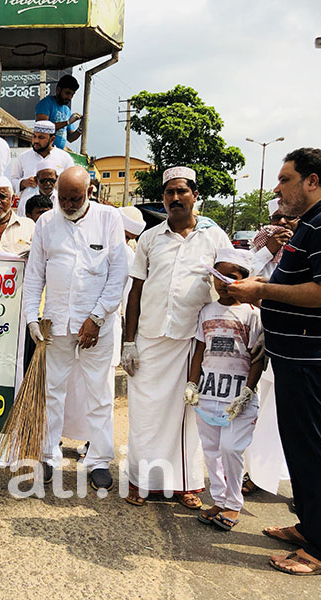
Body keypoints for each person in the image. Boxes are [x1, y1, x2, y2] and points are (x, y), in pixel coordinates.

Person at [227, 148, 321, 576]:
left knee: (315, 452)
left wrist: (263, 293)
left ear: (312, 180)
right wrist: (261, 284)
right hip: (292, 357)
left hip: (312, 360)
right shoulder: (311, 221)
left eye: (285, 179)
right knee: (300, 448)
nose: (277, 189)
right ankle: (310, 526)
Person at [121, 166, 232, 508]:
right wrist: (129, 342)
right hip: (151, 338)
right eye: (169, 192)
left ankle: (186, 483)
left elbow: (232, 281)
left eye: (182, 191)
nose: (175, 198)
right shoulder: (150, 239)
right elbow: (135, 292)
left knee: (187, 417)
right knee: (145, 413)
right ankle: (140, 481)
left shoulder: (214, 237)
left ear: (195, 196)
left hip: (192, 340)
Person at [23, 166, 128, 488]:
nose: (68, 204)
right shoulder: (46, 222)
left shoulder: (109, 220)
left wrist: (96, 318)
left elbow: (118, 274)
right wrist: (31, 318)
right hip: (56, 323)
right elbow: (34, 275)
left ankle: (98, 460)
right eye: (63, 198)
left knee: (99, 393)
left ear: (89, 192)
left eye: (75, 198)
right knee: (52, 392)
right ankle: (47, 455)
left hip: (97, 326)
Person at [185, 248, 263, 532]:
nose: (222, 283)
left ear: (244, 280)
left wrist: (248, 392)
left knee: (231, 449)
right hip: (208, 394)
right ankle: (218, 499)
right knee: (211, 450)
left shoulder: (252, 315)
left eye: (230, 277)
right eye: (218, 276)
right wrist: (192, 384)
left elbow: (258, 356)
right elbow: (199, 349)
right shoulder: (206, 311)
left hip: (238, 397)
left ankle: (233, 504)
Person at [241, 196, 297, 496]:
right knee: (262, 409)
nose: (283, 224)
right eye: (277, 219)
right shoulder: (265, 245)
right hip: (265, 334)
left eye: (289, 218)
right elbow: (244, 274)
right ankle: (260, 473)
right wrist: (272, 247)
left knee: (281, 413)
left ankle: (267, 475)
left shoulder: (308, 247)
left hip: (298, 340)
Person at [10, 121, 73, 217]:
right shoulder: (23, 157)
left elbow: (71, 184)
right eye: (34, 136)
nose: (36, 141)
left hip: (56, 210)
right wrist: (23, 183)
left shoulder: (64, 158)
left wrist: (56, 183)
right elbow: (12, 182)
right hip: (27, 211)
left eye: (41, 137)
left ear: (52, 139)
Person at [250, 198, 298, 280]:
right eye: (277, 217)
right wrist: (268, 250)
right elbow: (244, 273)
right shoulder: (260, 246)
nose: (282, 221)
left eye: (289, 217)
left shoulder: (309, 245)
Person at [35, 74, 82, 150]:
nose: (69, 97)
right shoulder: (45, 103)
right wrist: (67, 122)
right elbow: (42, 129)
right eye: (67, 93)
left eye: (72, 94)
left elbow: (70, 138)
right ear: (58, 90)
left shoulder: (67, 110)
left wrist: (80, 128)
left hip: (59, 153)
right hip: (45, 152)